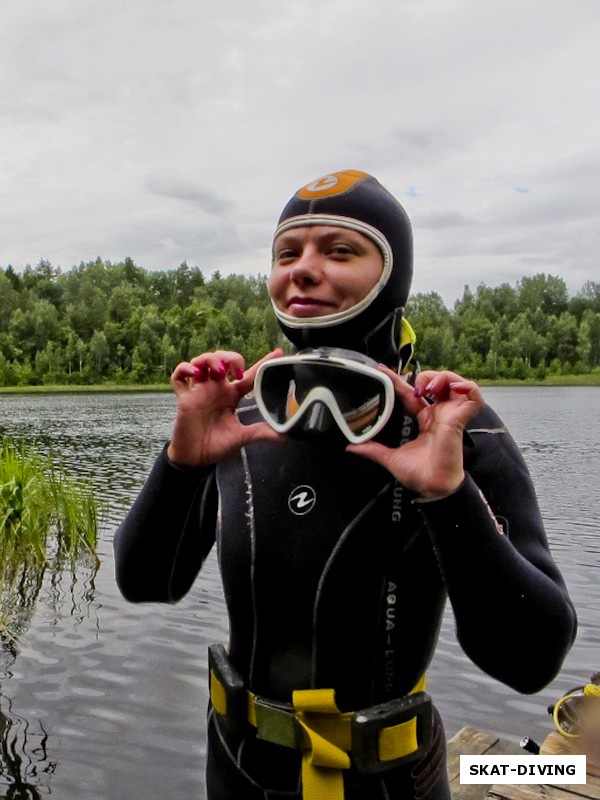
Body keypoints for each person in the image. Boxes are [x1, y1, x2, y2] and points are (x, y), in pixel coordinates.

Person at [114, 169, 577, 800]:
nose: (302, 269)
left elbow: (529, 663)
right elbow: (145, 585)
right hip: (237, 763)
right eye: (287, 253)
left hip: (387, 780)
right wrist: (181, 464)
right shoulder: (237, 419)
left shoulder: (452, 432)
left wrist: (448, 494)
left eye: (339, 250)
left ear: (393, 276)